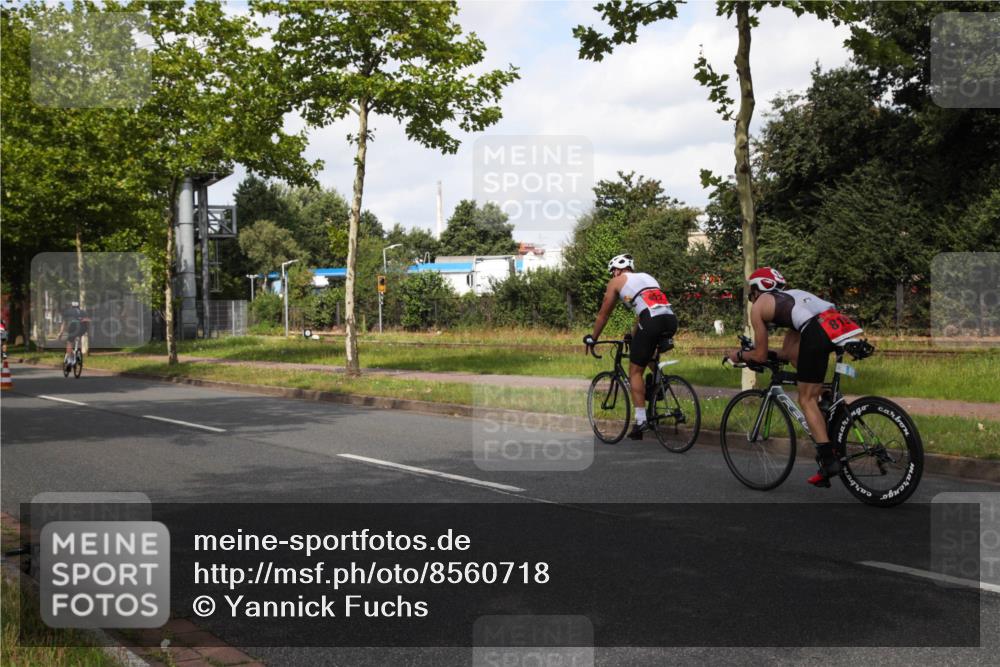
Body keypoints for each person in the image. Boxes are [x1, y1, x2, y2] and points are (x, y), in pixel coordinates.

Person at [726, 267, 863, 486]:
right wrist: (768, 354)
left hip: (816, 330)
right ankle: (828, 408)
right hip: (836, 323)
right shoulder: (795, 299)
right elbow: (789, 353)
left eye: (751, 291)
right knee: (811, 384)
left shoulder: (760, 305)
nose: (751, 297)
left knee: (806, 398)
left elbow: (760, 356)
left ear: (759, 287)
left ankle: (829, 461)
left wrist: (739, 354)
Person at [584, 254, 678, 440]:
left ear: (617, 270)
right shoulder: (648, 278)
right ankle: (659, 381)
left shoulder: (616, 282)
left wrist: (592, 338)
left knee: (635, 371)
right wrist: (634, 336)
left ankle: (641, 422)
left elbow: (603, 314)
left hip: (651, 322)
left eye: (612, 272)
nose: (612, 276)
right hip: (670, 320)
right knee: (646, 354)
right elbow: (643, 312)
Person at [58, 300, 89, 366]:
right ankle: (78, 353)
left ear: (71, 306)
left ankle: (70, 360)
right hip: (82, 328)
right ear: (78, 306)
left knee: (69, 342)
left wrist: (60, 333)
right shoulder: (83, 312)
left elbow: (63, 323)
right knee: (78, 339)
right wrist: (86, 331)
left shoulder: (68, 312)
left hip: (73, 327)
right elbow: (87, 321)